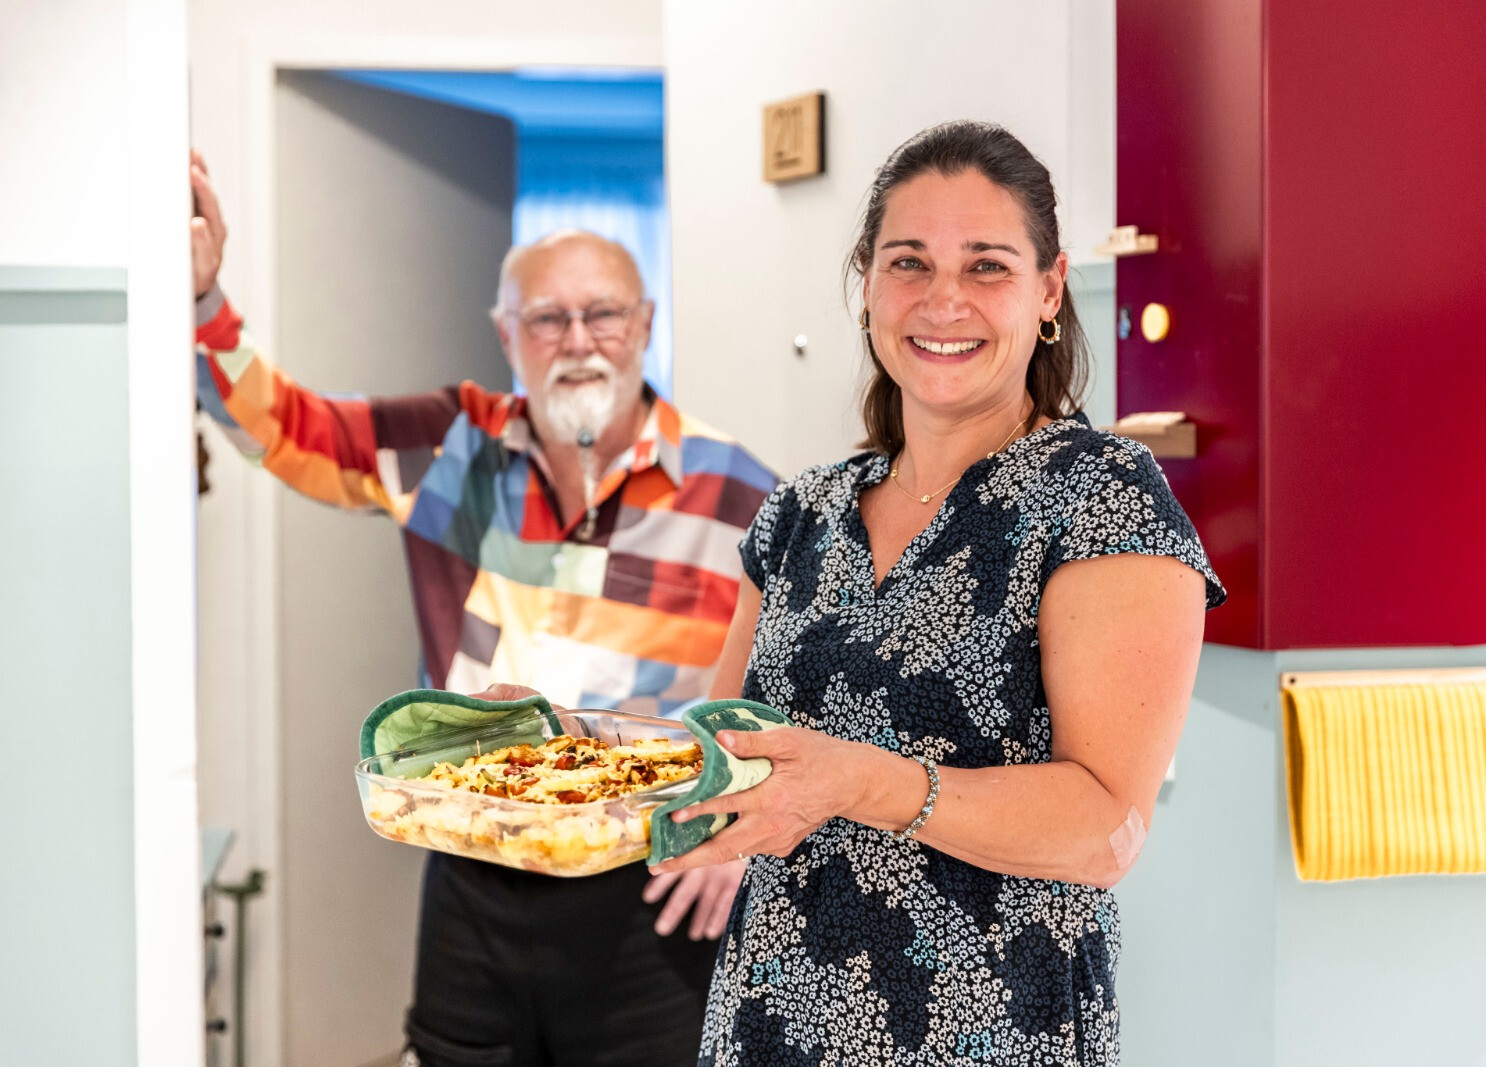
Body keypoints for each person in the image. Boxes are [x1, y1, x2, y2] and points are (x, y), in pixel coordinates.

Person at [647, 121, 1227, 1065]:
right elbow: (719, 754)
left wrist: (862, 782)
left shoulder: (1100, 497)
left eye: (987, 266)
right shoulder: (804, 510)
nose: (943, 299)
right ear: (867, 286)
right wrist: (557, 744)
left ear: (1048, 291)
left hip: (989, 1032)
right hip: (771, 1021)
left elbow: (1105, 830)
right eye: (908, 262)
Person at [188, 152, 771, 1066]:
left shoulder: (738, 487)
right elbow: (284, 426)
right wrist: (201, 301)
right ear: (509, 336)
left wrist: (748, 830)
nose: (578, 339)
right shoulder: (449, 446)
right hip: (472, 860)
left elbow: (796, 684)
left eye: (604, 313)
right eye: (547, 317)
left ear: (646, 324)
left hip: (650, 880)